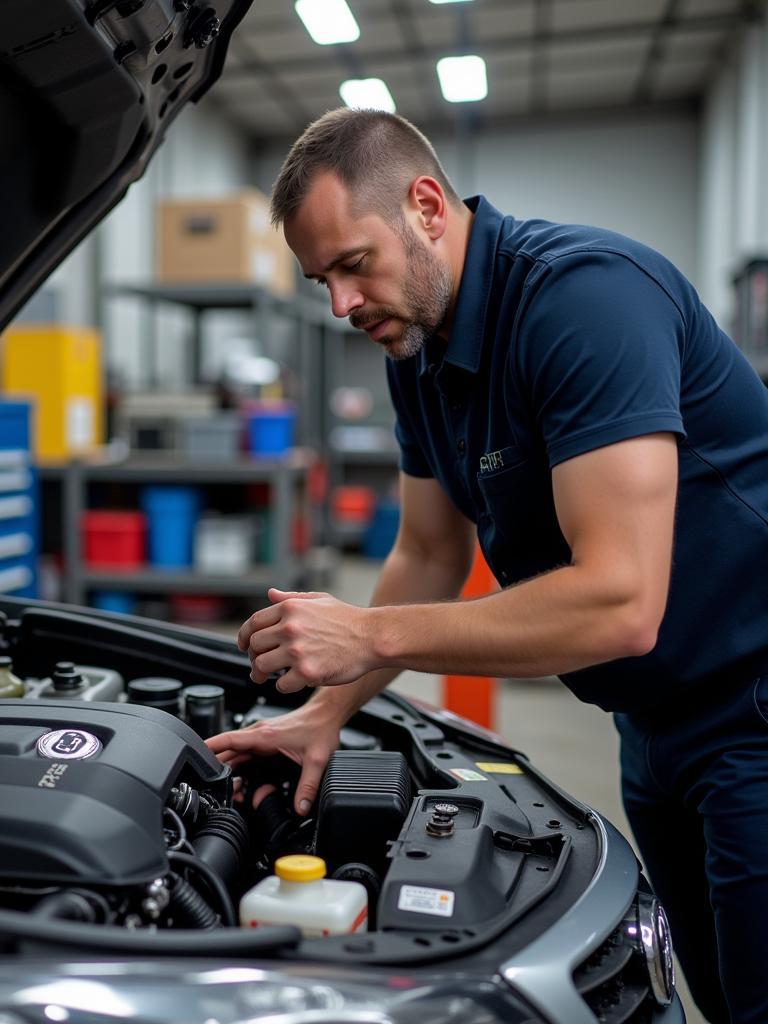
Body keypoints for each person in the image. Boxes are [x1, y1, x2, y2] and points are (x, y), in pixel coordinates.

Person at [206, 107, 768, 1024]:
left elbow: (622, 604)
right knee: (710, 987)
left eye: (354, 264)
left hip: (751, 705)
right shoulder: (416, 348)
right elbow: (429, 550)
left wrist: (365, 633)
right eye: (322, 281)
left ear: (427, 206)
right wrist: (327, 710)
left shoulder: (585, 301)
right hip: (650, 720)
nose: (342, 305)